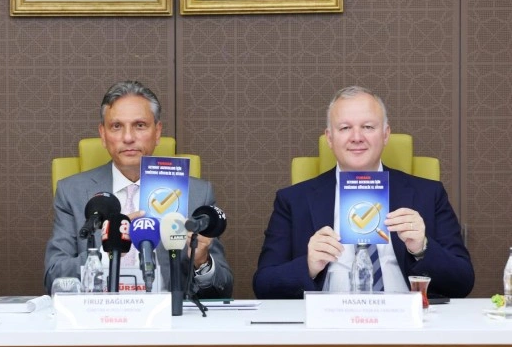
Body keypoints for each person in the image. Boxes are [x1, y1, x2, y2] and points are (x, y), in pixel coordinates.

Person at [253, 85, 473, 299]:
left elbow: (463, 282)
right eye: (345, 128)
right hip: (328, 319)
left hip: (404, 319)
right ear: (329, 138)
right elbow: (263, 284)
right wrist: (309, 265)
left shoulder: (429, 194)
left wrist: (422, 248)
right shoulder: (293, 200)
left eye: (368, 127)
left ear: (385, 134)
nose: (357, 137)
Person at [45, 80, 233, 298]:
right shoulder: (73, 192)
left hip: (168, 315)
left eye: (140, 125)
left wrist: (202, 262)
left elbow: (223, 288)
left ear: (157, 132)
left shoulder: (196, 194)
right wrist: (108, 252)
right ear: (103, 134)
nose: (128, 137)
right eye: (116, 126)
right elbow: (53, 275)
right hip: (99, 315)